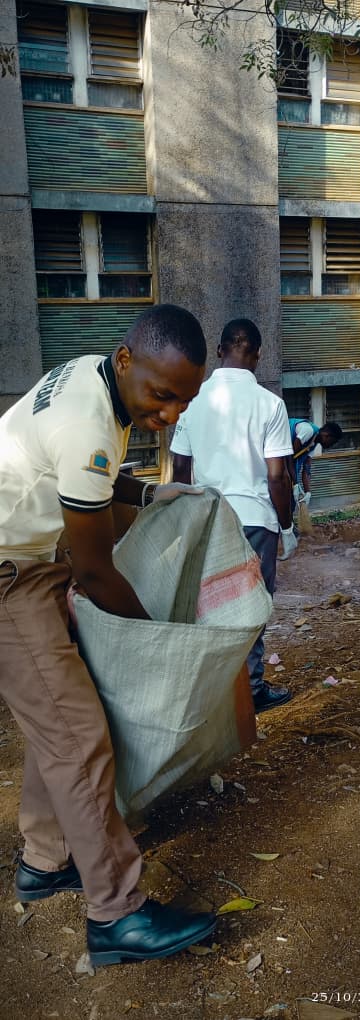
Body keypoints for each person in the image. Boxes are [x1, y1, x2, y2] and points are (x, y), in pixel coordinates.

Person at [0, 304, 217, 967]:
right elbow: (94, 572)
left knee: (58, 720)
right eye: (162, 394)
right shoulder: (88, 423)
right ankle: (116, 916)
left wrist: (150, 495)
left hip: (28, 563)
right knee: (80, 737)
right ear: (126, 361)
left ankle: (45, 860)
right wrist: (158, 643)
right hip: (11, 579)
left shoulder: (92, 379)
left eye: (184, 398)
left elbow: (89, 479)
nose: (172, 413)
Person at [171, 318, 297, 715]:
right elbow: (277, 476)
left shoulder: (193, 400)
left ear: (220, 349)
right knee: (253, 604)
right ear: (257, 355)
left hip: (210, 518)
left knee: (212, 603)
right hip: (256, 519)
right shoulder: (269, 404)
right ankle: (251, 687)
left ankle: (216, 689)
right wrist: (288, 526)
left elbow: (178, 470)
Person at [288, 418, 343, 512]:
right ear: (327, 435)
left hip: (288, 468)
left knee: (291, 501)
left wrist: (308, 492)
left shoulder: (313, 444)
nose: (331, 445)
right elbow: (288, 458)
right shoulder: (308, 431)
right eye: (333, 442)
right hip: (277, 460)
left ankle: (290, 524)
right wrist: (295, 484)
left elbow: (307, 469)